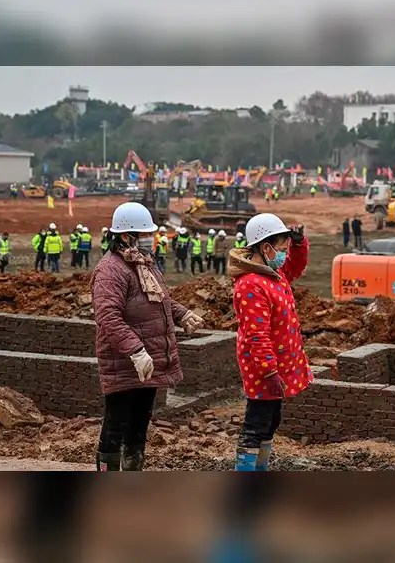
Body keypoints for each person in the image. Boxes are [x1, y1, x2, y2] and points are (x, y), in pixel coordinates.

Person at [91, 202, 206, 471]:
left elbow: (157, 299)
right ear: (125, 236)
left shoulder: (143, 264)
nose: (150, 239)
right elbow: (108, 317)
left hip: (148, 361)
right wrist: (136, 351)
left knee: (139, 425)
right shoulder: (111, 271)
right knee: (115, 426)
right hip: (125, 363)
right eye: (144, 234)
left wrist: (182, 314)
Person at [228, 213, 310, 471]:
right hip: (263, 370)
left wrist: (299, 244)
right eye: (282, 249)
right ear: (266, 248)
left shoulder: (272, 273)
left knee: (271, 421)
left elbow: (294, 268)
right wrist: (269, 371)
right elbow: (257, 334)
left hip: (276, 366)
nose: (285, 254)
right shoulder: (251, 285)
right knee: (256, 424)